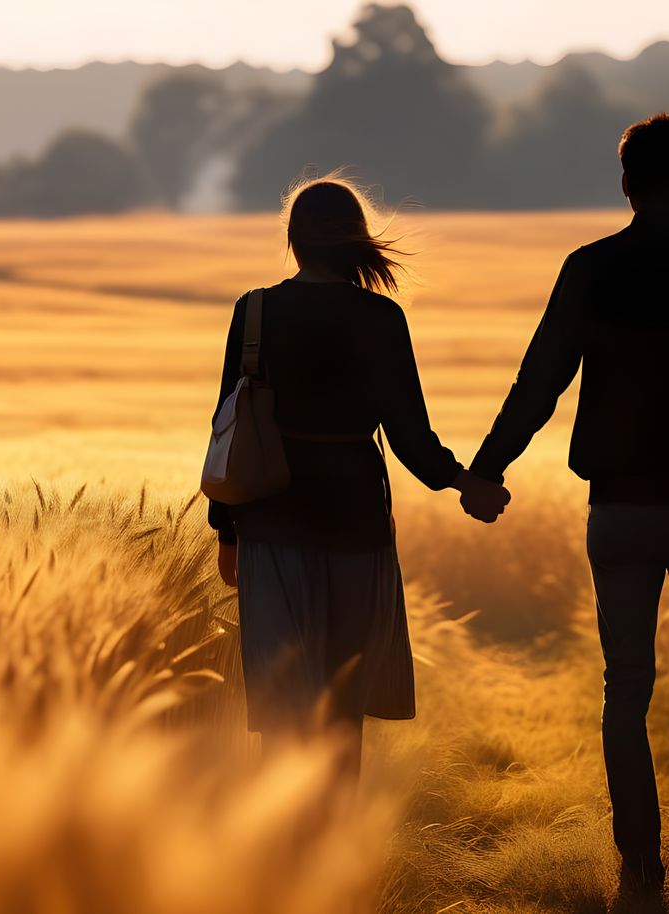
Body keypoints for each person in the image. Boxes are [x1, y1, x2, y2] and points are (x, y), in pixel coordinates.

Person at [465, 114, 669, 889]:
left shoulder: (590, 268)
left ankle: (640, 850)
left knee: (626, 683)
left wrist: (487, 469)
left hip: (618, 505)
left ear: (624, 184)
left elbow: (539, 381)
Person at [207, 176, 510, 775]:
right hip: (355, 525)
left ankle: (285, 846)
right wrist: (465, 482)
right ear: (356, 243)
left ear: (292, 241)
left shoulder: (256, 312)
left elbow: (227, 428)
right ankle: (334, 847)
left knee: (283, 705)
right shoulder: (379, 318)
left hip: (271, 524)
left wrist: (227, 532)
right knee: (342, 709)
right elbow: (409, 437)